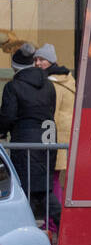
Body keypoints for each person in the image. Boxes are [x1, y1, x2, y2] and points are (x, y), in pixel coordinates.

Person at [0, 42, 59, 230]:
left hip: (24, 144)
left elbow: (8, 116)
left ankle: (26, 232)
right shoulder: (49, 86)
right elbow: (50, 111)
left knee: (27, 192)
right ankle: (65, 227)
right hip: (47, 143)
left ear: (15, 68)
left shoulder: (13, 87)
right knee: (43, 191)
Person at [35, 43, 75, 230]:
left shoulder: (54, 82)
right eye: (35, 59)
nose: (37, 63)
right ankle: (56, 221)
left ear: (51, 61)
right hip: (65, 136)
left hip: (56, 136)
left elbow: (53, 113)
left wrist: (46, 138)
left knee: (53, 181)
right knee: (57, 179)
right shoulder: (67, 78)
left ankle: (53, 222)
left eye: (41, 59)